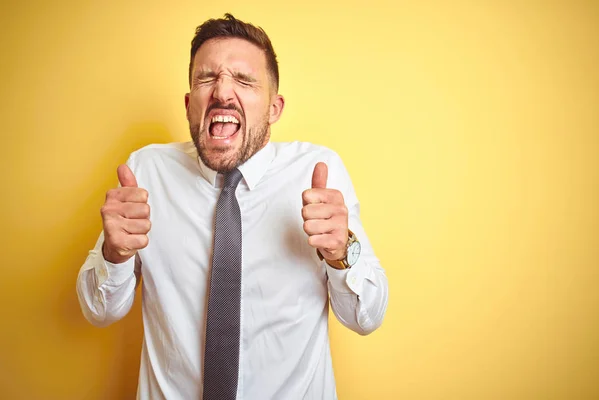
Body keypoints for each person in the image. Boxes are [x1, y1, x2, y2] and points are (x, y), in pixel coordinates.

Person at [76, 13, 388, 400]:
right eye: (207, 78)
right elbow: (98, 310)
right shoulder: (146, 172)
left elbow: (366, 317)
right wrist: (115, 253)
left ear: (274, 108)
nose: (222, 93)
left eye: (244, 80)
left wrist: (343, 252)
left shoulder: (316, 173)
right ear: (190, 104)